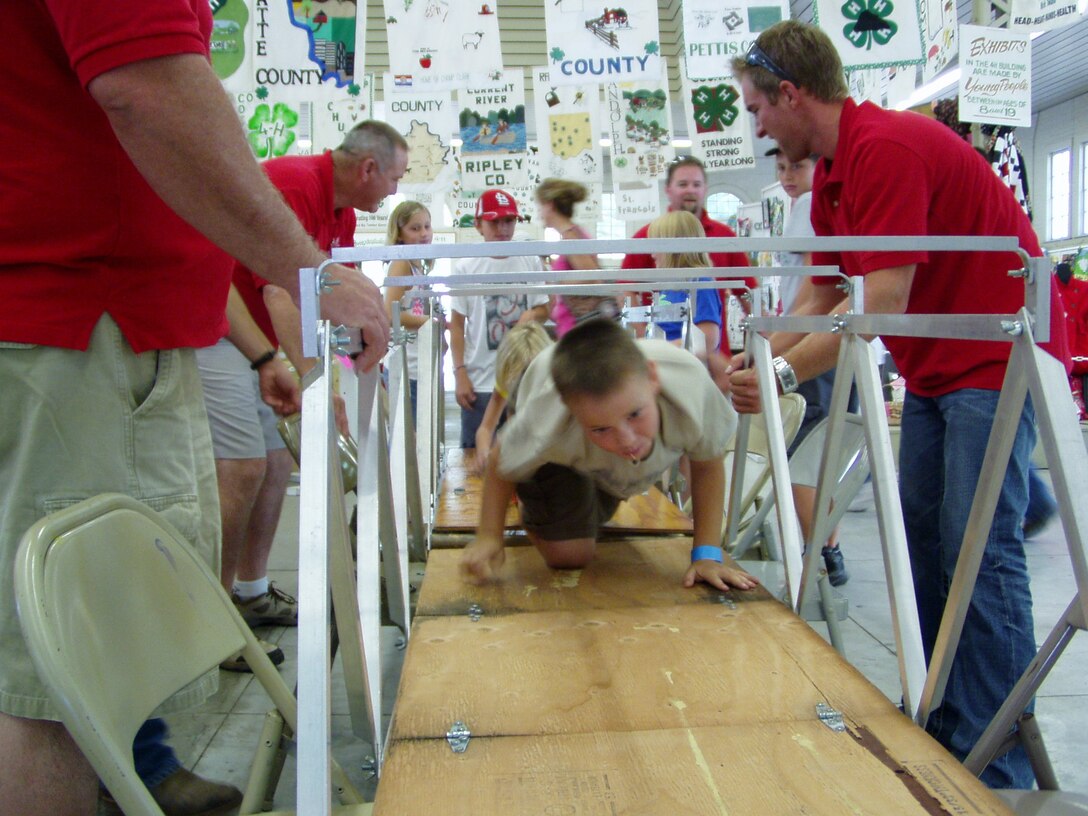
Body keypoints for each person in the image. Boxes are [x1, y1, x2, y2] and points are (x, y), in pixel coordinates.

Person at [0, 4, 390, 815]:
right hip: (78, 321)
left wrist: (262, 355)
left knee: (83, 664)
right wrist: (310, 275)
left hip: (119, 321)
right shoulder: (295, 185)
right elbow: (145, 88)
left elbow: (187, 210)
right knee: (60, 687)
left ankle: (144, 763)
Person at [729, 20, 1069, 788]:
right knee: (920, 540)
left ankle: (1001, 754)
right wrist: (753, 361)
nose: (756, 128)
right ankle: (950, 717)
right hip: (937, 369)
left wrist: (778, 380)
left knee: (977, 553)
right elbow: (821, 293)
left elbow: (877, 306)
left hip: (996, 357)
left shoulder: (885, 148)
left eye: (757, 109)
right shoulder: (834, 173)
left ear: (790, 93)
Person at [198, 121, 408, 672]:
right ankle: (212, 627)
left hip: (260, 336)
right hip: (216, 322)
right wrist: (322, 382)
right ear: (367, 169)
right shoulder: (295, 184)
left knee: (271, 466)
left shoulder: (338, 210)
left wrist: (334, 368)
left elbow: (322, 300)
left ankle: (252, 590)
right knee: (240, 468)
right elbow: (280, 290)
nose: (392, 192)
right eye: (394, 179)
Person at [460, 318, 761, 595]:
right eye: (601, 428)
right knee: (570, 556)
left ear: (652, 379)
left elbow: (708, 464)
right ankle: (537, 503)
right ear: (572, 414)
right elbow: (500, 461)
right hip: (554, 453)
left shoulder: (692, 385)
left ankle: (586, 488)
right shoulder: (546, 419)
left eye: (635, 414)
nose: (626, 440)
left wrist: (707, 554)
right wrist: (489, 535)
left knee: (603, 502)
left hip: (599, 462)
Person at [766, 146, 849, 586]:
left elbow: (816, 297)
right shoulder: (806, 207)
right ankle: (823, 547)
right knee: (817, 456)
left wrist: (776, 353)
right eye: (780, 167)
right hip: (819, 341)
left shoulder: (815, 205)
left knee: (802, 454)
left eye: (796, 164)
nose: (787, 175)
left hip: (815, 345)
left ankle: (823, 550)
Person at [448, 189, 551, 449]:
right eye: (495, 222)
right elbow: (457, 325)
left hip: (524, 381)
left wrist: (532, 315)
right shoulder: (466, 267)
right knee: (475, 462)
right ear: (479, 224)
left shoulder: (529, 260)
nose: (503, 229)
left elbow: (544, 309)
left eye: (509, 221)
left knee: (527, 462)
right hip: (480, 384)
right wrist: (459, 373)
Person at [621, 156, 756, 352]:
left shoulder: (721, 243)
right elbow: (626, 289)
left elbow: (747, 291)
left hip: (693, 364)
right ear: (668, 189)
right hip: (667, 362)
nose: (690, 190)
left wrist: (766, 340)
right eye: (683, 184)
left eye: (696, 184)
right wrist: (645, 343)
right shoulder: (648, 236)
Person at [535, 178, 617, 335]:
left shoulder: (571, 236)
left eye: (540, 207)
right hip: (575, 327)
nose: (540, 214)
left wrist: (556, 281)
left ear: (549, 205)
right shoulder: (574, 233)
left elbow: (591, 276)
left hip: (576, 329)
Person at [473, 322, 554, 472]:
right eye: (517, 384)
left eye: (529, 379)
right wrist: (484, 453)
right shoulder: (510, 376)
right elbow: (485, 428)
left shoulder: (560, 384)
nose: (521, 388)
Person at [383, 200, 437, 419]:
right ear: (400, 234)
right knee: (406, 438)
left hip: (417, 364)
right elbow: (390, 313)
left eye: (427, 226)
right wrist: (430, 322)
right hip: (405, 366)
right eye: (415, 228)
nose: (424, 233)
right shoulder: (401, 263)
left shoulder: (417, 266)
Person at [645, 210, 723, 355]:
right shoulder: (671, 285)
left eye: (656, 245)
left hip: (686, 370)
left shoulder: (699, 283)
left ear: (673, 249)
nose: (652, 254)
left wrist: (655, 350)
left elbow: (708, 339)